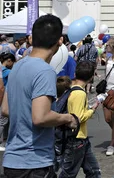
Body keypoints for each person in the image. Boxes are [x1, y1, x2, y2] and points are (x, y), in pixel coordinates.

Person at [2, 15, 77, 178]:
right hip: (35, 163)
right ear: (60, 40)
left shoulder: (18, 66)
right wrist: (68, 118)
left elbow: (6, 109)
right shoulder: (45, 71)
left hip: (12, 161)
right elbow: (40, 117)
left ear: (32, 38)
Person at [58, 61, 101, 178]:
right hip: (77, 139)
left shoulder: (71, 89)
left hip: (81, 139)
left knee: (94, 171)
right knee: (69, 174)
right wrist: (92, 110)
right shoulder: (79, 93)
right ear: (91, 77)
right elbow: (78, 118)